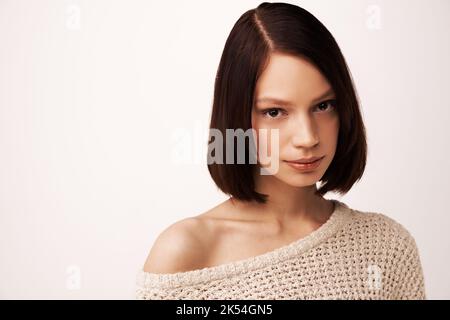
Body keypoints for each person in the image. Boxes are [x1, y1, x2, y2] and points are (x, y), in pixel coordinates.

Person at [136, 2, 426, 300]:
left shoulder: (387, 247)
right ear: (236, 116)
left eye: (323, 106)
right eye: (275, 112)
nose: (307, 137)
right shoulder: (186, 252)